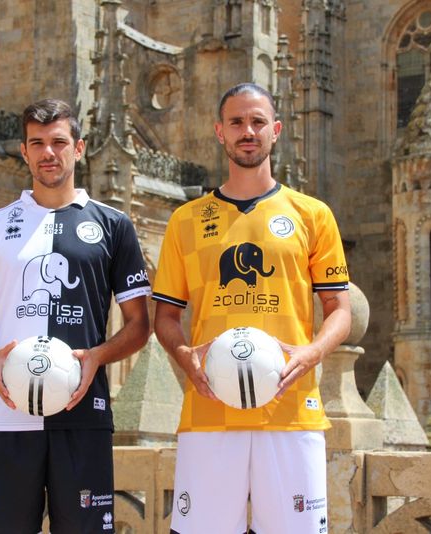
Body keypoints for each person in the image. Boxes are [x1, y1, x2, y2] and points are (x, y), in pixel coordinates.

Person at [152, 83, 352, 534]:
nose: (248, 131)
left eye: (258, 122)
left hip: (291, 409)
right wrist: (185, 357)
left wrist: (311, 353)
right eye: (237, 122)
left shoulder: (312, 214)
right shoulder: (185, 221)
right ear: (219, 132)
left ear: (275, 130)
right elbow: (165, 317)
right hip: (208, 410)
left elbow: (339, 309)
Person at [0, 98, 151, 534]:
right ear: (24, 151)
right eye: (37, 143)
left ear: (78, 149)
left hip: (83, 413)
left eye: (59, 142)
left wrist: (97, 356)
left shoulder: (114, 225)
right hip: (7, 415)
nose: (49, 153)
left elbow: (139, 324)